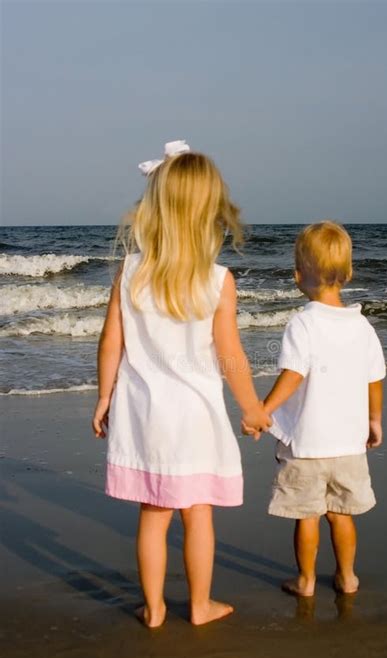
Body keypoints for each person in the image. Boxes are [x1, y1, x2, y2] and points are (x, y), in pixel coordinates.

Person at [92, 140, 270, 627]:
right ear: (209, 209)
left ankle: (152, 610)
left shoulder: (130, 272)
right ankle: (199, 605)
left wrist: (105, 396)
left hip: (143, 414)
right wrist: (251, 406)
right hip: (195, 417)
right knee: (198, 515)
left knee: (153, 516)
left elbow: (112, 343)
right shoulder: (217, 280)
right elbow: (230, 353)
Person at [244, 221, 385, 596]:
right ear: (348, 272)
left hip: (306, 444)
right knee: (342, 515)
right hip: (349, 445)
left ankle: (306, 581)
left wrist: (264, 410)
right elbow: (375, 378)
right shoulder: (362, 326)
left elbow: (293, 374)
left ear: (298, 275)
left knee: (306, 515)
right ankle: (347, 576)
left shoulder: (302, 324)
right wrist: (375, 421)